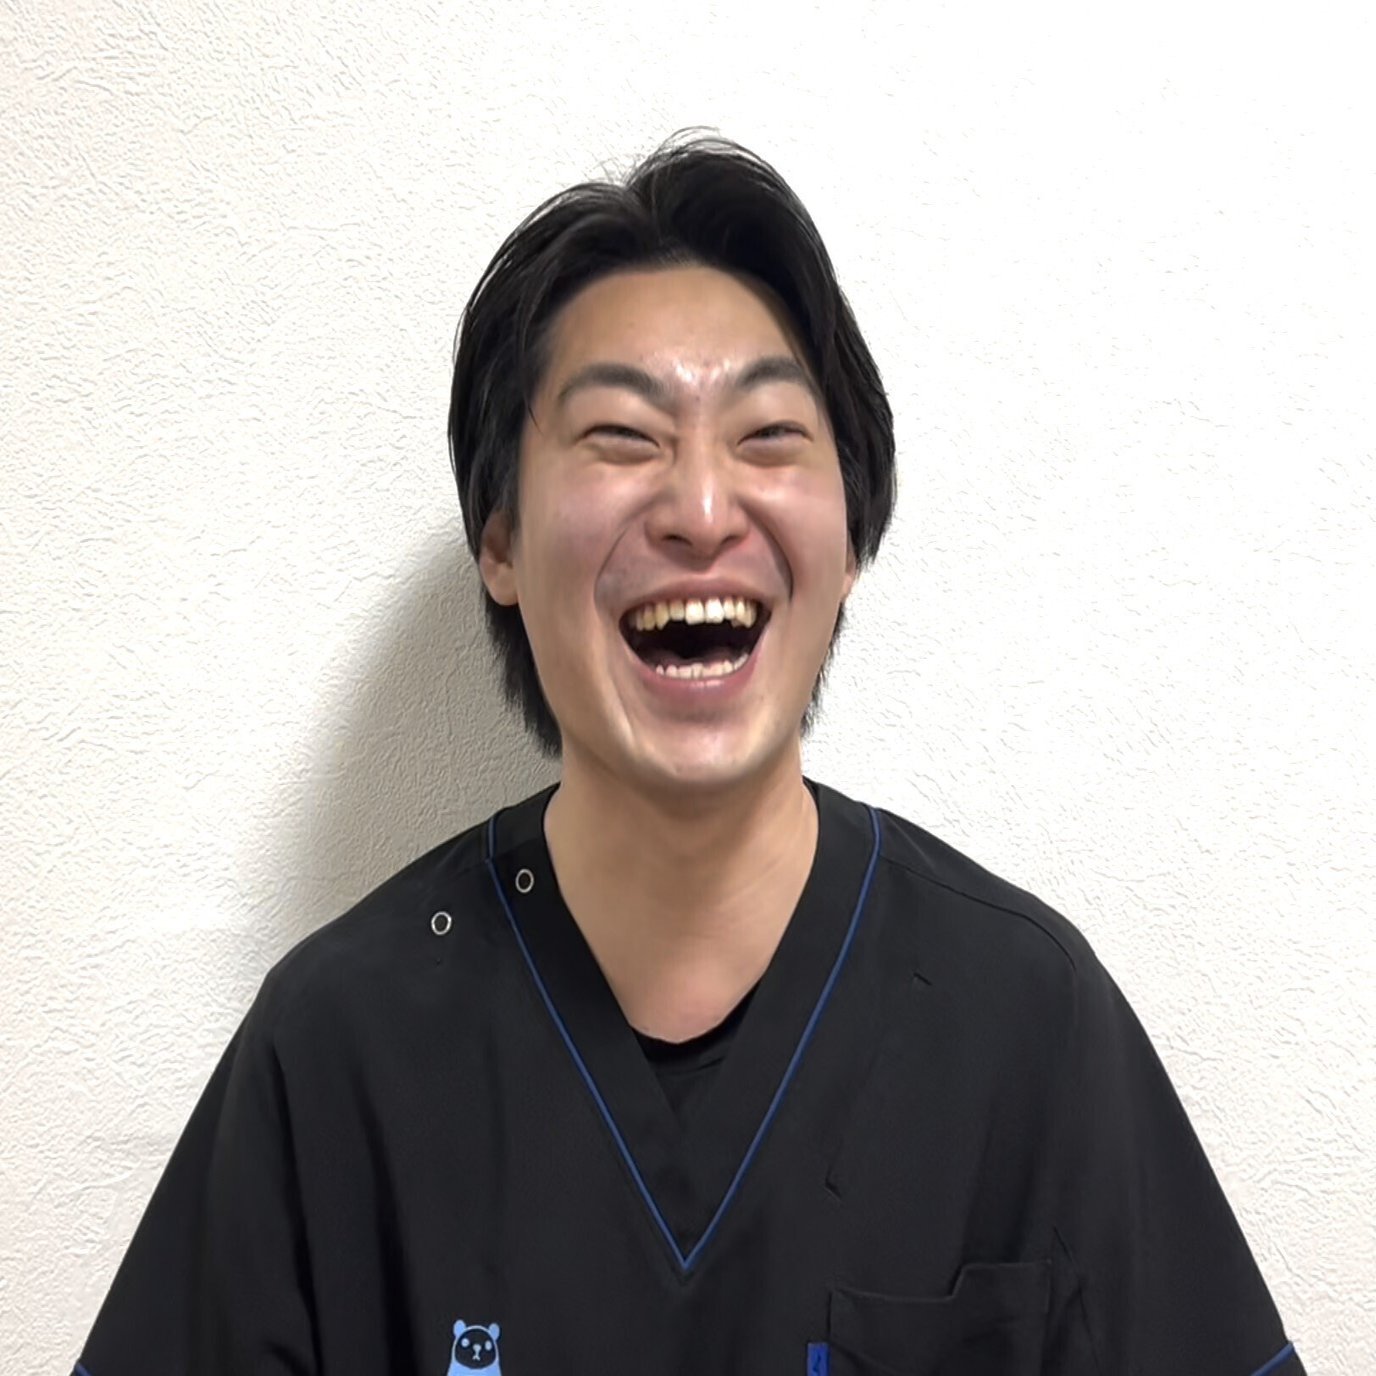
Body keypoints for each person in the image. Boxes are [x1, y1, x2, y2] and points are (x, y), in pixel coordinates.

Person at [74, 134, 1305, 1376]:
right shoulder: (337, 1052)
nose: (702, 510)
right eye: (620, 435)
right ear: (499, 542)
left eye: (767, 434)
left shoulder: (1027, 1025)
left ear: (849, 537)